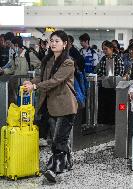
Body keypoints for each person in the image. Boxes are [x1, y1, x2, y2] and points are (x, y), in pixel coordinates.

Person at [23, 30, 78, 182]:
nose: (53, 43)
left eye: (57, 41)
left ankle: (54, 169)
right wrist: (31, 82)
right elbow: (42, 77)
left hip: (66, 106)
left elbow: (55, 81)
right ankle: (67, 161)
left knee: (58, 139)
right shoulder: (47, 60)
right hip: (51, 105)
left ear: (65, 44)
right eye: (51, 41)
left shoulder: (68, 62)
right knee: (58, 138)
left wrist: (35, 87)